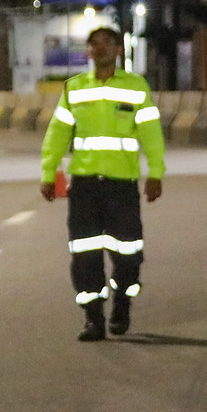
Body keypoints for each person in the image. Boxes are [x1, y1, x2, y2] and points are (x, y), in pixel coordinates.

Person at [41, 27, 166, 341]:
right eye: (94, 44)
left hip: (121, 186)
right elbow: (57, 133)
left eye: (107, 43)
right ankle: (93, 318)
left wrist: (156, 173)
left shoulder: (136, 87)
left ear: (119, 49)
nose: (100, 48)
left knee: (128, 253)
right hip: (84, 186)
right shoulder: (74, 88)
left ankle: (122, 302)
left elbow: (151, 133)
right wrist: (48, 173)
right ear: (88, 51)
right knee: (85, 254)